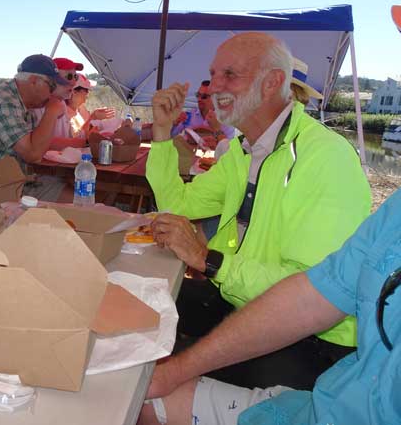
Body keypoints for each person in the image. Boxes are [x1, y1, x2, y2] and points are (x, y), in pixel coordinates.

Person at [145, 32, 371, 390]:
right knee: (141, 311)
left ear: (272, 83)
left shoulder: (326, 157)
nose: (214, 85)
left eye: (229, 75)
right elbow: (179, 206)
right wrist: (161, 131)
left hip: (312, 344)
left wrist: (209, 259)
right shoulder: (244, 150)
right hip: (241, 301)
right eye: (213, 73)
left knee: (142, 382)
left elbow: (314, 296)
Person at [139, 187, 401, 425]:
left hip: (314, 351)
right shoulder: (395, 212)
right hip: (322, 402)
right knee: (143, 392)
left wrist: (209, 261)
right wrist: (173, 373)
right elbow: (312, 297)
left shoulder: (326, 156)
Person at [0, 54, 69, 168]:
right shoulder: (3, 102)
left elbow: (40, 145)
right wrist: (52, 112)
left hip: (8, 179)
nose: (53, 93)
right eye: (52, 85)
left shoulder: (25, 103)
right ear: (34, 81)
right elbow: (33, 154)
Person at [65, 74, 116, 140]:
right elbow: (76, 139)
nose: (88, 93)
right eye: (86, 90)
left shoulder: (81, 109)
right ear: (74, 92)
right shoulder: (63, 114)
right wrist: (93, 117)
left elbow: (86, 130)